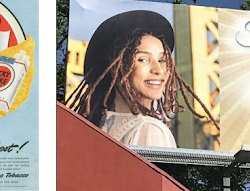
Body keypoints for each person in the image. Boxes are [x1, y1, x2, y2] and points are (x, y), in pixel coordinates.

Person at [66, 10, 219, 148]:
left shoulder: (95, 127)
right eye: (143, 59)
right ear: (118, 67)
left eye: (162, 60)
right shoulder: (149, 129)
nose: (158, 70)